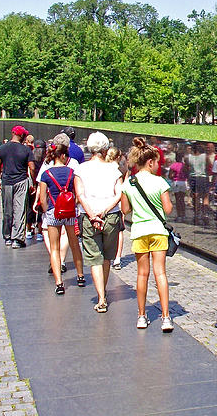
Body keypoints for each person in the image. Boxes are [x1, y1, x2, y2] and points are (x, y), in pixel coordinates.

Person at [121, 137, 174, 332]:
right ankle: (166, 317)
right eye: (157, 162)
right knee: (160, 273)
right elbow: (168, 209)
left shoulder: (129, 184)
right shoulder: (160, 182)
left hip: (139, 231)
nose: (158, 165)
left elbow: (125, 209)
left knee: (142, 274)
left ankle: (142, 316)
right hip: (158, 232)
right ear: (150, 162)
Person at [75, 132, 124, 312]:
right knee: (106, 257)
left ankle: (101, 297)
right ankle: (103, 291)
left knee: (94, 256)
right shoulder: (114, 170)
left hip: (89, 216)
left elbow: (80, 195)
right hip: (110, 216)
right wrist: (104, 211)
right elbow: (119, 194)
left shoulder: (81, 169)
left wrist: (92, 213)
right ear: (105, 149)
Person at [39, 141, 85, 295]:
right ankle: (80, 275)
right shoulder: (72, 172)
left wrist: (46, 211)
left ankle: (59, 283)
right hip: (70, 211)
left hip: (53, 211)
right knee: (74, 244)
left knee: (54, 247)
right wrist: (75, 205)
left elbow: (43, 197)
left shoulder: (46, 174)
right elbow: (78, 193)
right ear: (64, 156)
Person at [0, 125, 36, 248]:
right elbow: (32, 168)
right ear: (22, 136)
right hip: (21, 181)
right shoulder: (26, 150)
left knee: (7, 210)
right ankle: (17, 239)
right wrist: (32, 182)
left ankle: (7, 237)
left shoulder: (2, 148)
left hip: (7, 181)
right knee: (19, 209)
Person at [185, 143, 208, 223]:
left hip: (193, 177)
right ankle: (205, 214)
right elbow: (209, 167)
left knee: (195, 197)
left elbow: (186, 168)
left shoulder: (188, 157)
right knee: (205, 196)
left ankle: (196, 215)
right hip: (203, 177)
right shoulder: (205, 156)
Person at [166, 150, 188, 222]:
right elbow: (187, 174)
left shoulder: (173, 165)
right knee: (182, 199)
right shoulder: (184, 165)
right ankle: (183, 215)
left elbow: (170, 175)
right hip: (183, 182)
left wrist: (173, 178)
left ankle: (179, 216)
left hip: (176, 182)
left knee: (177, 200)